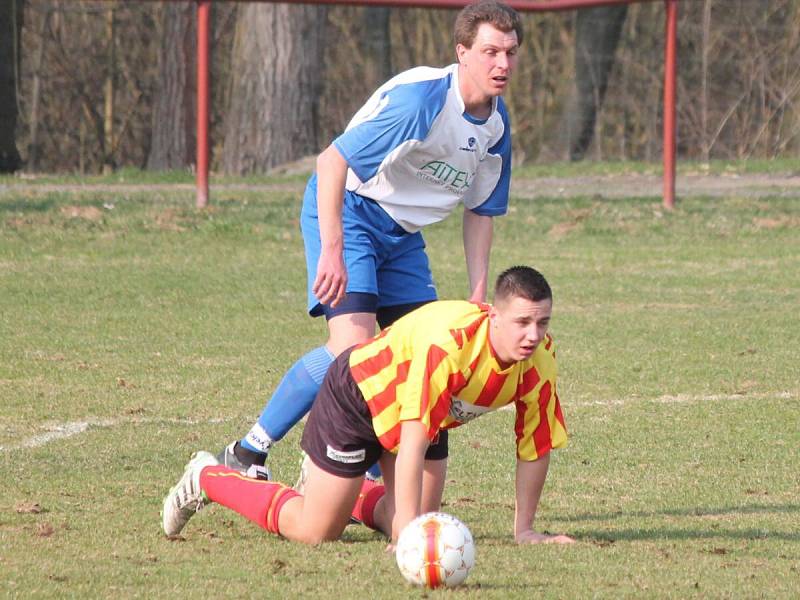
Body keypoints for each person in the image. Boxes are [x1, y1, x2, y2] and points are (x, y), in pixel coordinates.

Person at [216, 0, 525, 479]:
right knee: (353, 352)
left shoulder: (497, 129)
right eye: (489, 51)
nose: (502, 64)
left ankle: (373, 480)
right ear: (462, 53)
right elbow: (330, 162)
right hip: (352, 213)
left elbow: (481, 212)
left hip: (402, 236)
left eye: (510, 52)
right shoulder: (422, 102)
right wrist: (334, 249)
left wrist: (478, 296)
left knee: (424, 351)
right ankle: (249, 450)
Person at [162, 266, 574, 546]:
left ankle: (348, 492)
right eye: (522, 322)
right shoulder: (450, 346)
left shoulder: (540, 360)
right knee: (317, 531)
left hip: (418, 413)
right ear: (494, 316)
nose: (533, 334)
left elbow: (535, 447)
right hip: (358, 396)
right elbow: (412, 445)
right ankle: (209, 476)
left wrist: (525, 531)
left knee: (417, 520)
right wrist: (407, 540)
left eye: (542, 323)